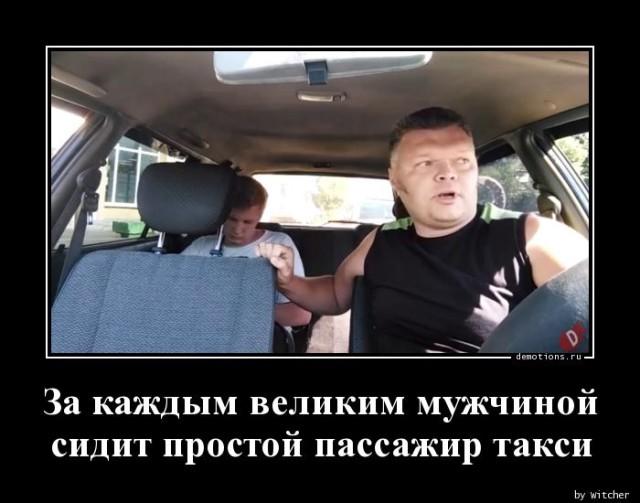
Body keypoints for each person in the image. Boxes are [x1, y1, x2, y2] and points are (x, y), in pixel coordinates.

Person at [257, 107, 588, 353]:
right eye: (426, 163)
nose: (448, 173)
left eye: (462, 161)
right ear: (397, 180)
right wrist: (289, 280)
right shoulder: (381, 241)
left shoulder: (534, 237)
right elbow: (335, 294)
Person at [182, 175, 311, 329]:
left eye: (247, 222)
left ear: (259, 217)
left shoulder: (279, 245)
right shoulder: (200, 247)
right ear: (221, 214)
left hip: (263, 334)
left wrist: (234, 313)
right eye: (232, 219)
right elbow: (173, 293)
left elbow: (300, 315)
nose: (238, 230)